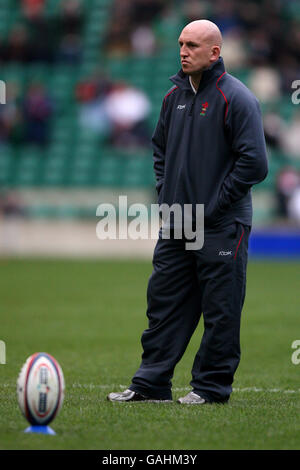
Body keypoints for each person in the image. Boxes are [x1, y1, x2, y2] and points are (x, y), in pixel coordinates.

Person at [107, 19, 268, 404]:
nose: (183, 50)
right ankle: (151, 384)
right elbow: (159, 149)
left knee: (220, 310)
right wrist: (165, 194)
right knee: (163, 304)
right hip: (178, 224)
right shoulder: (171, 97)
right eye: (181, 43)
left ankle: (210, 388)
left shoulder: (238, 98)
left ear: (215, 52)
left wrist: (214, 206)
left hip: (222, 225)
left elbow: (255, 164)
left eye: (192, 45)